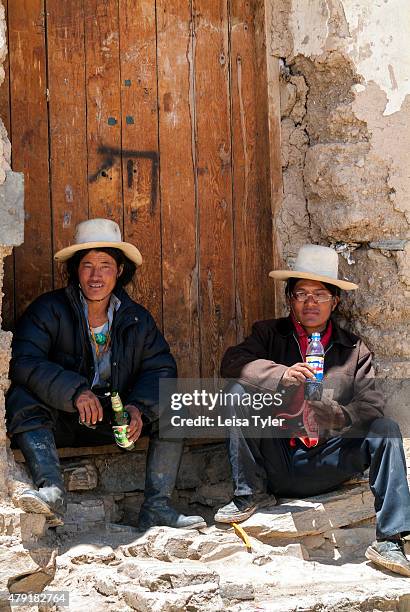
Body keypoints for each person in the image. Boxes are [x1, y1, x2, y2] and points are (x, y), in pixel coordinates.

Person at [214, 244, 410, 577]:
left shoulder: (353, 349)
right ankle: (248, 494)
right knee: (236, 393)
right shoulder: (269, 334)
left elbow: (371, 404)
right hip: (279, 458)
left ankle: (390, 540)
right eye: (301, 294)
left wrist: (340, 416)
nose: (310, 302)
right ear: (289, 299)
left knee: (386, 429)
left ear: (335, 301)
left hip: (328, 459)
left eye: (320, 295)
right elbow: (232, 363)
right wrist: (280, 375)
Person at [6, 218, 205, 530]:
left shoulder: (137, 319)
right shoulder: (49, 309)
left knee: (175, 405)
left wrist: (139, 409)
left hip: (111, 421)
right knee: (21, 396)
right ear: (75, 270)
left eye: (105, 265)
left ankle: (157, 507)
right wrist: (74, 392)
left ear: (120, 271)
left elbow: (160, 368)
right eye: (87, 265)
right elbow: (23, 361)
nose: (96, 275)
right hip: (61, 418)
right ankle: (52, 492)